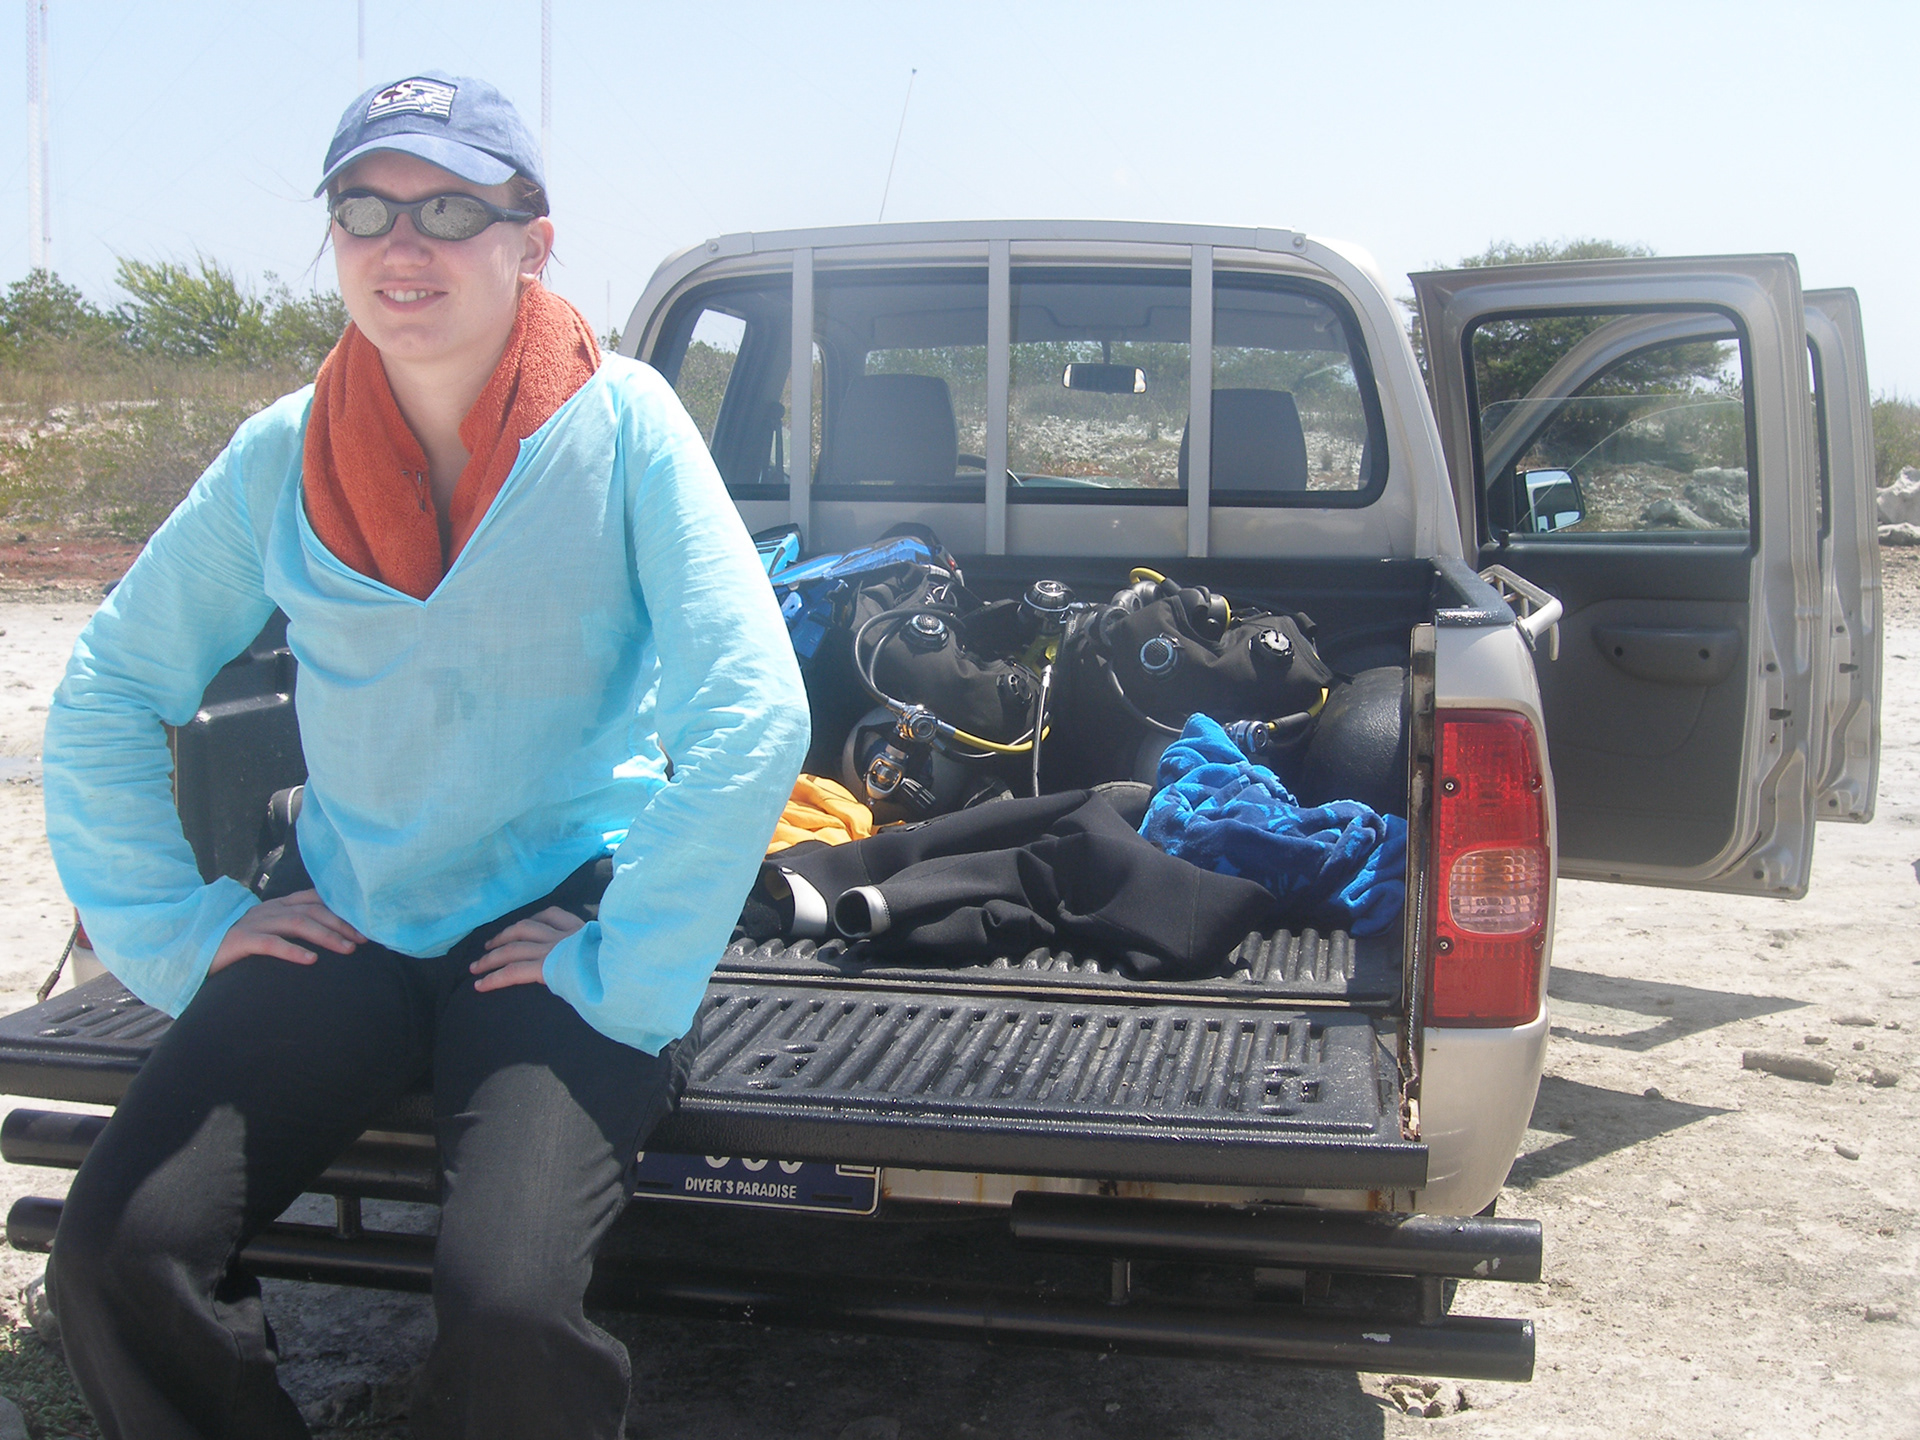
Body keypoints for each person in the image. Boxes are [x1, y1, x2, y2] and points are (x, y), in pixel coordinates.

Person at [39, 72, 808, 1440]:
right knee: (115, 1253)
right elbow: (111, 684)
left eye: (450, 209)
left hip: (557, 914)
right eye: (365, 209)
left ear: (532, 239)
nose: (403, 243)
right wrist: (175, 928)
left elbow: (751, 711)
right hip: (354, 908)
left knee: (510, 1312)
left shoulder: (625, 427)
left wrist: (626, 954)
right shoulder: (282, 455)